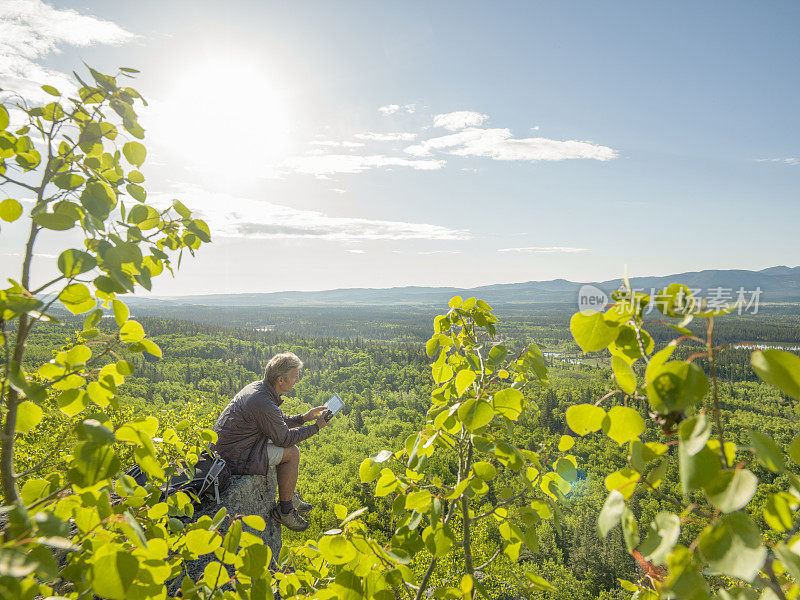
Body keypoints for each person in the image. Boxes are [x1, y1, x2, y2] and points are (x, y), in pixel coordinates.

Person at [212, 352, 328, 532]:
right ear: (281, 380)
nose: (297, 380)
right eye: (295, 376)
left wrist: (303, 418)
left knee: (288, 448)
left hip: (233, 447)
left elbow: (275, 421)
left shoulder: (259, 389)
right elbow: (284, 438)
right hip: (236, 456)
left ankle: (288, 493)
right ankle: (285, 510)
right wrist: (316, 427)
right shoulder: (264, 402)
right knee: (292, 453)